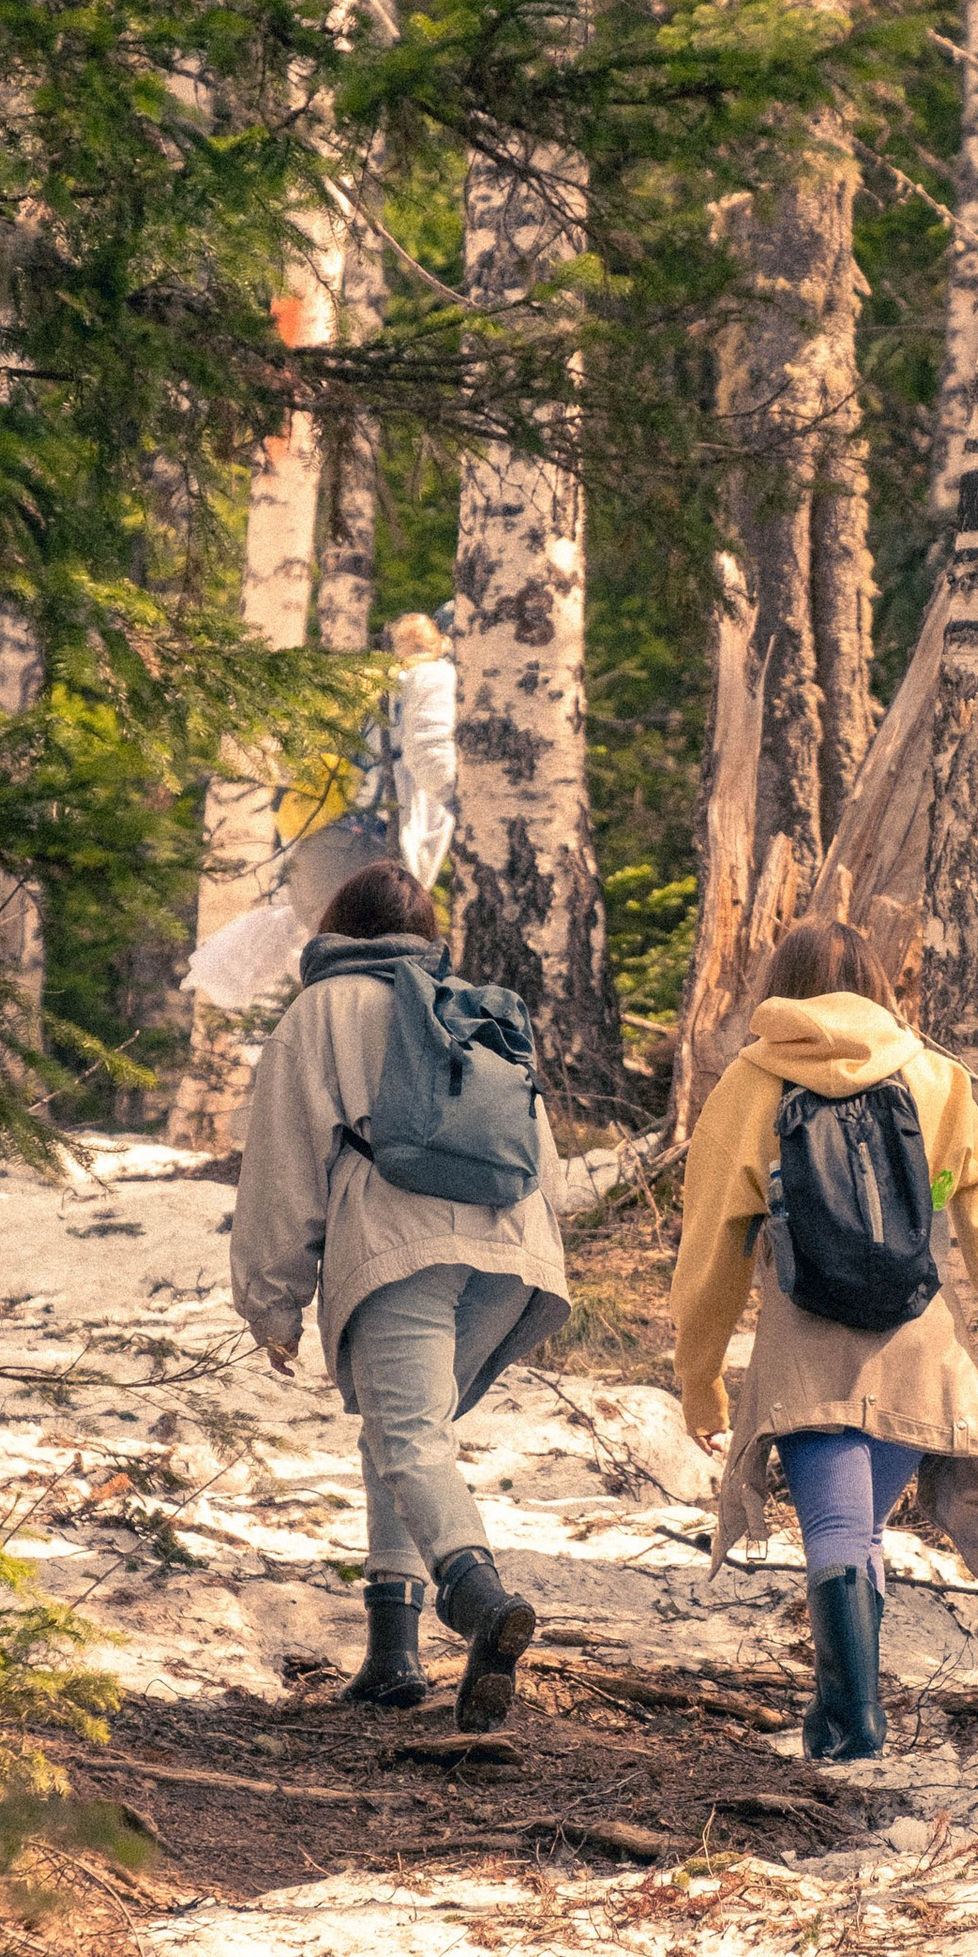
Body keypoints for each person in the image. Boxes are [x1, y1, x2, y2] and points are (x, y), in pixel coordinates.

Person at [672, 919, 978, 1761]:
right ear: (879, 987)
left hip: (807, 1347)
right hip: (917, 1349)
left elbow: (712, 1250)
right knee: (856, 1533)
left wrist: (699, 1378)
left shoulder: (750, 1085)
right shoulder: (934, 1077)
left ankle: (854, 1723)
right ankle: (843, 1716)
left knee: (836, 1529)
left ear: (780, 987)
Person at [229, 859, 566, 1726]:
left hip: (400, 1244)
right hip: (509, 1243)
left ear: (337, 926)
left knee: (408, 1433)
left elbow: (281, 1164)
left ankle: (478, 1600)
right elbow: (541, 1150)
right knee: (405, 1423)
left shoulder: (322, 1011)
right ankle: (391, 1652)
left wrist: (271, 1301)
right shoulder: (469, 1005)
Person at [383, 608, 461, 892]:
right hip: (388, 839)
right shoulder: (437, 676)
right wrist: (467, 809)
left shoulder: (393, 680)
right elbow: (431, 756)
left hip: (346, 832)